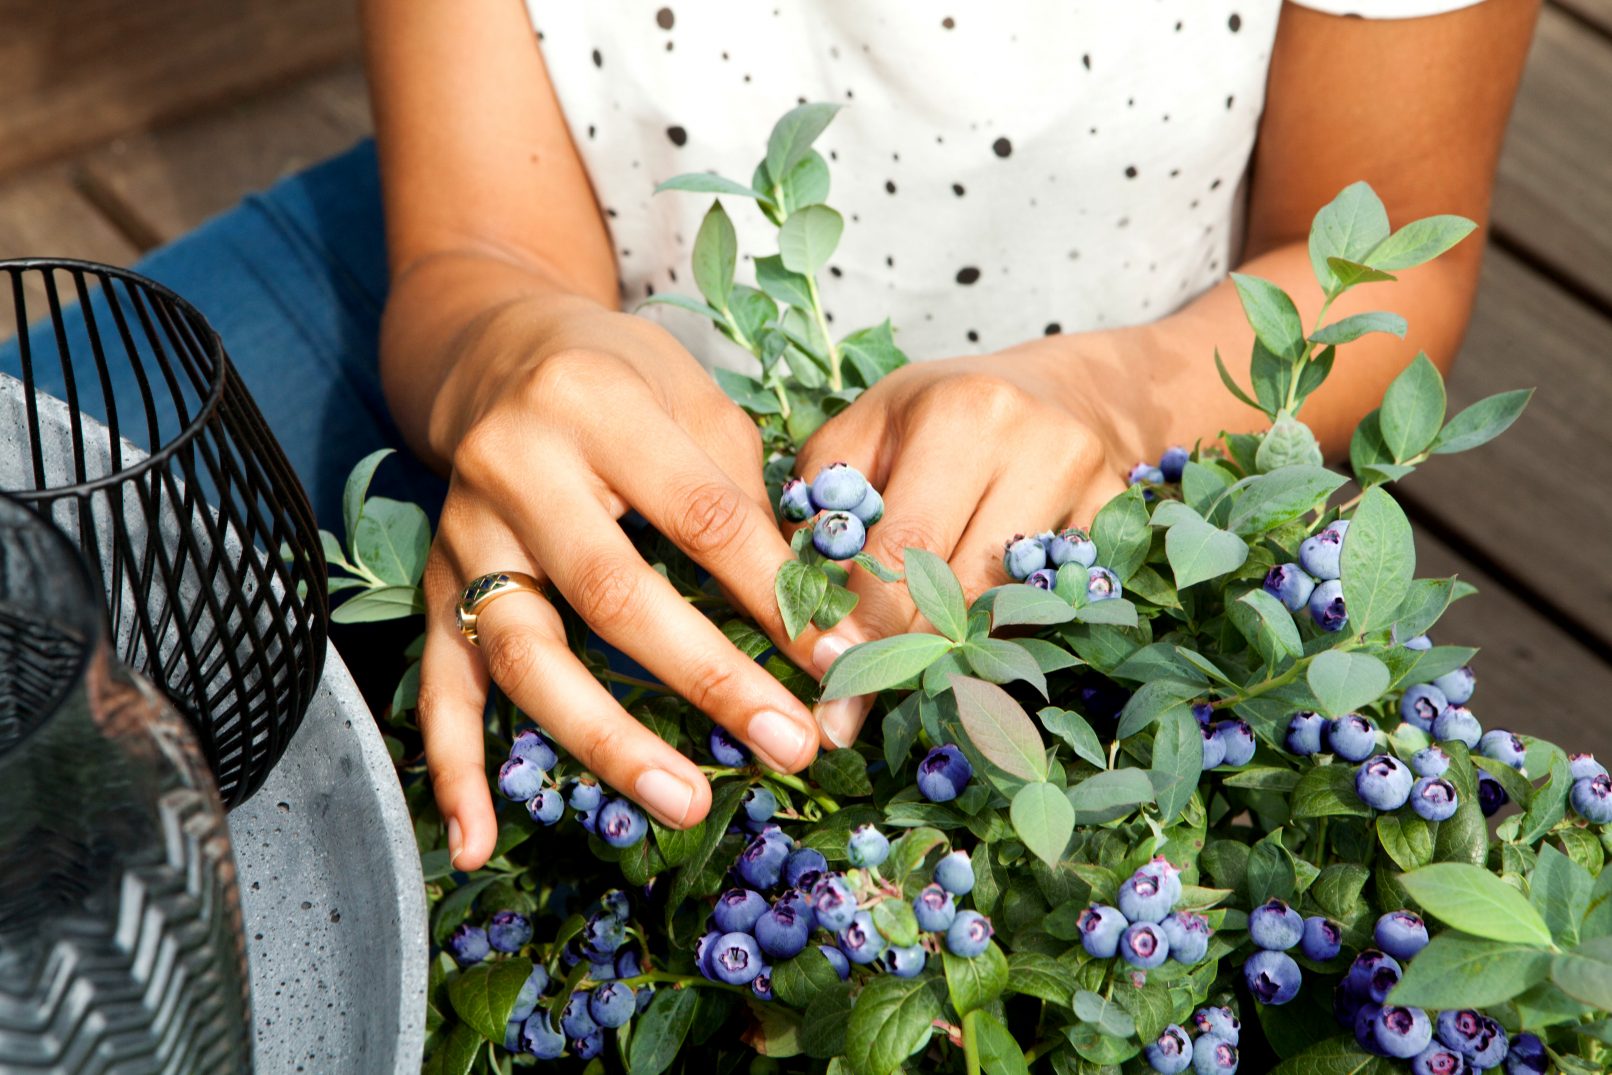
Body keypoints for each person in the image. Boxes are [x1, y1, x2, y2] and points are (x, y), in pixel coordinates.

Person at [1, 1, 1540, 872]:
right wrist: (502, 354)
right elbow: (478, 238)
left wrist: (1128, 400)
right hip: (547, 225)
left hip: (1157, 400)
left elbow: (1390, 247)